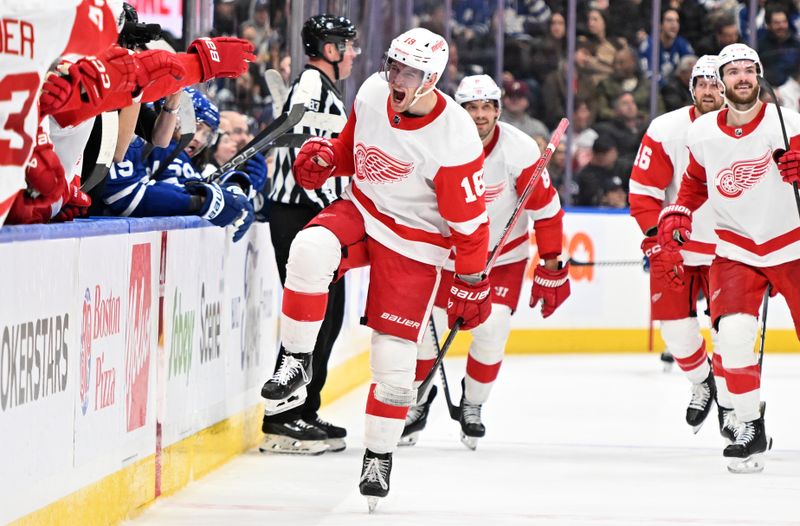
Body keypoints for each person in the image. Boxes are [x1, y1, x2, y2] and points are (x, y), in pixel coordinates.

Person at [259, 27, 491, 510]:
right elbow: (351, 150)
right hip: (363, 210)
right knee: (308, 249)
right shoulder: (369, 92)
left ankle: (379, 455)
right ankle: (296, 360)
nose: (396, 78)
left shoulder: (455, 137)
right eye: (394, 65)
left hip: (416, 244)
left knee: (393, 365)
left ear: (431, 79)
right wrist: (325, 159)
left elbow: (470, 229)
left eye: (409, 71)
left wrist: (469, 281)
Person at [401, 74, 569, 450]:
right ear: (459, 111)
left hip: (502, 259)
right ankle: (418, 399)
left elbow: (547, 211)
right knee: (426, 338)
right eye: (471, 108)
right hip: (448, 259)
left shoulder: (520, 149)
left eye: (486, 107)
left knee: (492, 331)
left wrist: (552, 263)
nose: (479, 116)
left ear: (498, 109)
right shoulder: (436, 144)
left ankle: (473, 403)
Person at [657, 43, 800, 473]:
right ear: (720, 83)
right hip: (735, 247)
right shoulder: (700, 134)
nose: (741, 78)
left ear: (758, 76)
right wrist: (679, 210)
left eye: (748, 70)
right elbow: (695, 182)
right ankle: (748, 424)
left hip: (792, 244)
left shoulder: (787, 123)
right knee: (733, 336)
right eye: (732, 72)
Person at [258, 14, 359, 456]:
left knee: (327, 318)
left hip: (312, 215)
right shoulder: (311, 88)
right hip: (301, 213)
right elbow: (309, 166)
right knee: (311, 317)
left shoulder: (324, 90)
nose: (353, 53)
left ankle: (302, 406)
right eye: (347, 45)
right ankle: (283, 416)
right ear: (331, 50)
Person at [629, 55, 725, 433]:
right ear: (692, 88)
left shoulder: (748, 129)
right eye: (701, 82)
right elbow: (644, 192)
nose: (708, 89)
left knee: (732, 333)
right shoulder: (667, 129)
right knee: (674, 331)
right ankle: (703, 381)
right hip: (678, 251)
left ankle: (736, 408)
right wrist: (656, 238)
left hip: (729, 251)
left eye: (715, 82)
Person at [103, 88, 255, 242]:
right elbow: (125, 195)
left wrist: (233, 186)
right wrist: (200, 201)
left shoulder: (153, 135)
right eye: (196, 127)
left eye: (207, 135)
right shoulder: (134, 127)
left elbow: (188, 185)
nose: (199, 140)